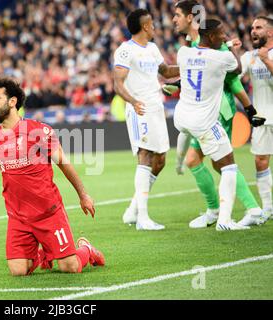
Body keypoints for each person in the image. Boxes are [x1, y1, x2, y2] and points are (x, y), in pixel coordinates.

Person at [0, 77, 105, 276]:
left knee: (70, 267)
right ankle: (46, 252)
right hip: (18, 218)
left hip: (49, 213)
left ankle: (86, 250)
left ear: (12, 102)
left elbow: (63, 163)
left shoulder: (38, 131)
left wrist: (83, 195)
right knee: (19, 271)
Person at [170, 0, 267, 228]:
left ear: (190, 17)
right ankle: (221, 210)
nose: (173, 19)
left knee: (219, 162)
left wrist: (249, 107)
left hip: (217, 110)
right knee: (201, 161)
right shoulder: (191, 44)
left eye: (177, 15)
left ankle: (239, 210)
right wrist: (177, 83)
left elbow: (233, 78)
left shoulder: (214, 42)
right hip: (199, 112)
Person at [113, 9, 180, 230]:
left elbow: (167, 71)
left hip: (156, 108)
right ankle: (143, 218)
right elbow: (118, 83)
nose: (154, 27)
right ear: (145, 27)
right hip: (139, 108)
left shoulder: (152, 49)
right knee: (145, 154)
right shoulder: (125, 50)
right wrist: (133, 102)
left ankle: (133, 210)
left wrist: (193, 66)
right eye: (151, 24)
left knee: (160, 160)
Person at [239, 16, 273, 220]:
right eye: (252, 28)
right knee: (260, 162)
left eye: (258, 27)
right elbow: (234, 72)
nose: (253, 31)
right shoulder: (249, 56)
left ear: (270, 32)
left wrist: (266, 60)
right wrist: (230, 52)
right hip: (262, 118)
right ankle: (268, 208)